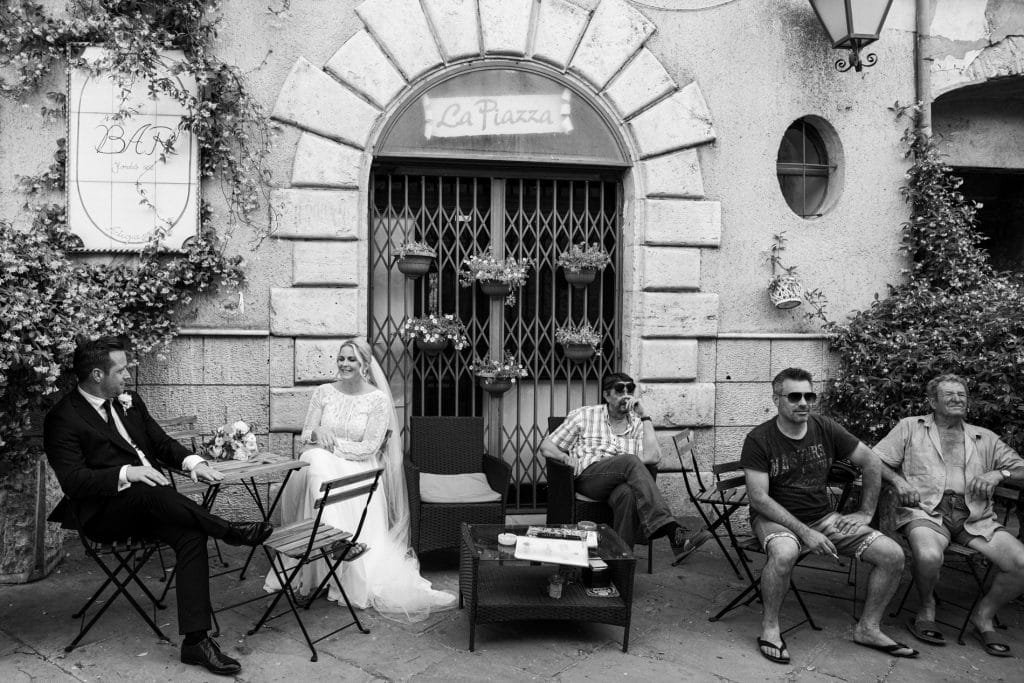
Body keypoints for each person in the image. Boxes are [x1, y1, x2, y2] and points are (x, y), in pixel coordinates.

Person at [43, 336, 272, 676]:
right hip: (103, 515)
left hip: (152, 506)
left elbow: (160, 443)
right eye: (121, 371)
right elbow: (74, 481)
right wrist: (128, 472)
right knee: (147, 487)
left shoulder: (129, 401)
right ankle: (229, 532)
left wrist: (194, 464)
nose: (128, 377)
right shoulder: (63, 418)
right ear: (96, 374)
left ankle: (196, 642)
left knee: (191, 535)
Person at [264, 338, 456, 621]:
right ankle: (337, 543)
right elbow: (306, 435)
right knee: (314, 461)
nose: (344, 364)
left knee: (318, 463)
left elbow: (369, 447)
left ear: (365, 365)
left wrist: (332, 445)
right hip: (326, 466)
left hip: (360, 468)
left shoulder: (376, 399)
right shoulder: (323, 392)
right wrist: (318, 434)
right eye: (341, 358)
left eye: (351, 359)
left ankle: (334, 544)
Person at [740, 367, 913, 664]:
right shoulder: (759, 439)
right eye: (795, 396)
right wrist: (805, 533)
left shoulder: (825, 427)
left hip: (822, 517)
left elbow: (871, 461)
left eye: (810, 395)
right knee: (783, 553)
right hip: (774, 518)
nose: (804, 402)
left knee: (893, 554)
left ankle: (868, 628)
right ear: (776, 399)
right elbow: (759, 498)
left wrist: (865, 512)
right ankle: (770, 628)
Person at [874, 373, 1024, 657]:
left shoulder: (985, 437)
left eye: (962, 395)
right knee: (929, 555)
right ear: (932, 401)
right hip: (927, 512)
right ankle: (927, 606)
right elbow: (874, 459)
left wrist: (998, 473)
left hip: (976, 517)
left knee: (1021, 563)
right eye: (949, 395)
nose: (957, 399)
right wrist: (899, 482)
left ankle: (983, 616)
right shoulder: (910, 427)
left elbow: (1021, 469)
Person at [539, 371, 711, 565]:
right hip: (589, 479)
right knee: (629, 460)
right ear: (606, 395)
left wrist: (645, 416)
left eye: (630, 389)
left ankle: (620, 564)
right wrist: (563, 456)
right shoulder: (584, 415)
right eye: (619, 390)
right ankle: (672, 530)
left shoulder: (638, 424)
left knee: (628, 494)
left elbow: (653, 457)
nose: (626, 394)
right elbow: (546, 446)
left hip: (620, 481)